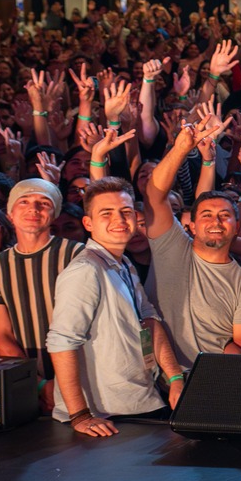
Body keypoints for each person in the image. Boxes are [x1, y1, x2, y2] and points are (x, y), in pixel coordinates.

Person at [46, 180, 181, 437]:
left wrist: (175, 377)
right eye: (106, 213)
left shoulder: (123, 263)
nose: (119, 219)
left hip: (139, 401)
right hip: (106, 415)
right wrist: (79, 415)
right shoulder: (85, 270)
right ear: (88, 223)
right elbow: (61, 343)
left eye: (126, 211)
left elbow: (149, 320)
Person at [144, 118, 241, 361]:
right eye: (206, 215)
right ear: (192, 226)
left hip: (206, 387)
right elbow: (154, 195)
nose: (216, 222)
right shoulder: (171, 246)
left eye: (224, 215)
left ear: (237, 226)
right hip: (149, 385)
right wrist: (180, 149)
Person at [0, 177, 80, 409]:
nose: (33, 208)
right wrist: (40, 384)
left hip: (83, 377)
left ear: (54, 215)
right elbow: (2, 335)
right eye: (24, 202)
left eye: (44, 203)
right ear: (10, 214)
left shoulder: (78, 255)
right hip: (30, 384)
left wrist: (69, 383)